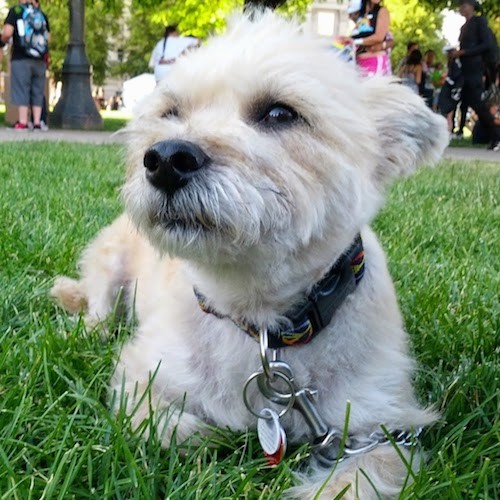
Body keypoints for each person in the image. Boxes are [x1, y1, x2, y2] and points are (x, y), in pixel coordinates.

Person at [450, 0, 500, 150]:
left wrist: (464, 52)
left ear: (471, 7)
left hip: (475, 69)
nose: (461, 8)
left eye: (464, 5)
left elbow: (487, 44)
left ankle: (496, 135)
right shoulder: (464, 27)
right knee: (468, 101)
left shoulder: (479, 23)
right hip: (466, 70)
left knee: (478, 103)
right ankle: (490, 135)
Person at [1, 0, 50, 131]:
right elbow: (48, 38)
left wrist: (2, 43)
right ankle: (37, 122)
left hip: (21, 57)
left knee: (21, 88)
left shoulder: (16, 11)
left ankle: (22, 122)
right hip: (40, 59)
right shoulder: (42, 15)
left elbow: (7, 33)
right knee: (38, 91)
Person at [350, 0, 391, 77]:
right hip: (360, 63)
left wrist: (356, 41)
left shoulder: (382, 11)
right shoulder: (362, 14)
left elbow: (379, 37)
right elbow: (355, 34)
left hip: (375, 62)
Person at [437, 47, 464, 134]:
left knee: (449, 113)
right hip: (454, 90)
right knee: (450, 113)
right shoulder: (456, 63)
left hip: (451, 90)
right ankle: (448, 131)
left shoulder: (455, 63)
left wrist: (447, 79)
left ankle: (447, 131)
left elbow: (454, 77)